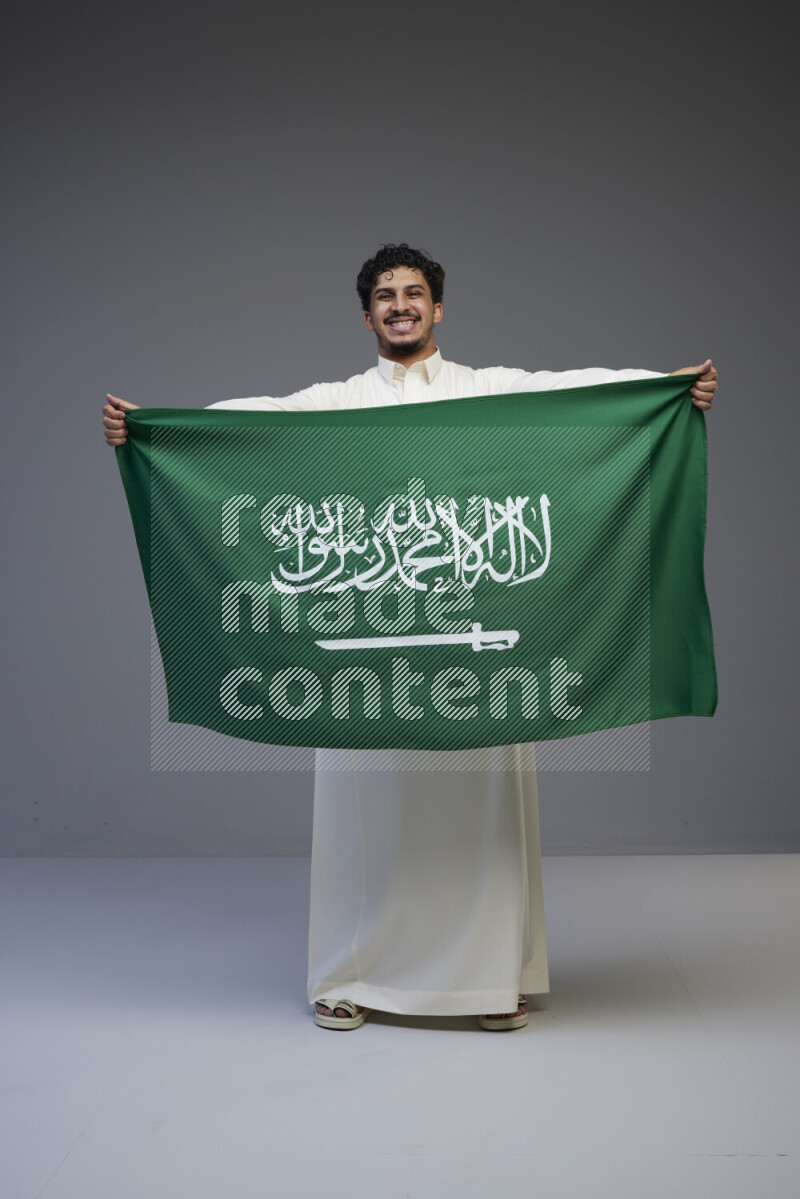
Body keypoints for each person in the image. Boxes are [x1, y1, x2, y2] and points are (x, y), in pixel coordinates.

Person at [103, 244, 718, 1031]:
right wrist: (153, 432)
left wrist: (664, 389)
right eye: (386, 296)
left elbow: (571, 390)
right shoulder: (341, 400)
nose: (401, 305)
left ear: (437, 308)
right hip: (371, 653)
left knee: (483, 808)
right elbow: (258, 421)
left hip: (480, 651)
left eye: (415, 292)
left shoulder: (485, 392)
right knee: (368, 814)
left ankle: (492, 980)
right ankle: (348, 975)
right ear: (367, 316)